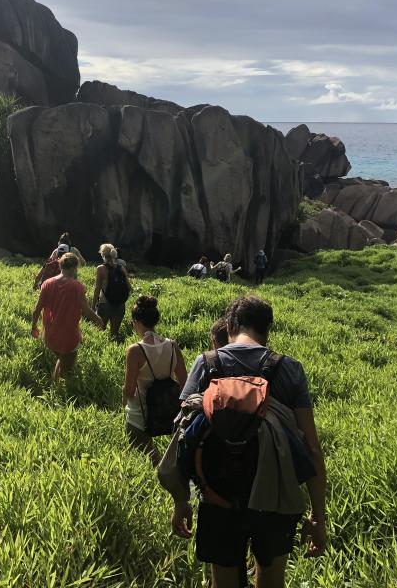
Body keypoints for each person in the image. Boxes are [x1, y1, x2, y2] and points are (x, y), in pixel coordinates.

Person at [162, 296, 327, 588]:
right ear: (268, 330)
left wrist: (180, 500)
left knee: (223, 581)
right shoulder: (288, 368)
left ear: (229, 326)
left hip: (216, 495)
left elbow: (182, 434)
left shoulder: (206, 363)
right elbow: (312, 448)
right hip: (276, 495)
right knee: (272, 579)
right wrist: (318, 516)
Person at [122, 295, 187, 465]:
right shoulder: (173, 346)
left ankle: (162, 475)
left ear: (136, 321)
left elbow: (129, 390)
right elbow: (184, 382)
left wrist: (124, 405)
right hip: (167, 410)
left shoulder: (135, 350)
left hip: (140, 412)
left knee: (145, 452)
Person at [31, 252, 105, 381]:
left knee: (62, 359)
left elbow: (37, 309)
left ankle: (57, 386)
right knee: (65, 369)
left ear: (60, 266)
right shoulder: (77, 286)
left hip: (50, 334)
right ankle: (56, 392)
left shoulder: (47, 283)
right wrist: (98, 319)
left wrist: (33, 327)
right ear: (74, 267)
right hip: (68, 335)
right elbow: (86, 311)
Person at [93, 243, 131, 342]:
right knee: (114, 334)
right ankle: (114, 349)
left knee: (99, 332)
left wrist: (92, 306)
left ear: (102, 255)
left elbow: (97, 289)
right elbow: (129, 286)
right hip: (120, 304)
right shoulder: (121, 268)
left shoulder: (101, 269)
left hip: (105, 304)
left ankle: (100, 352)